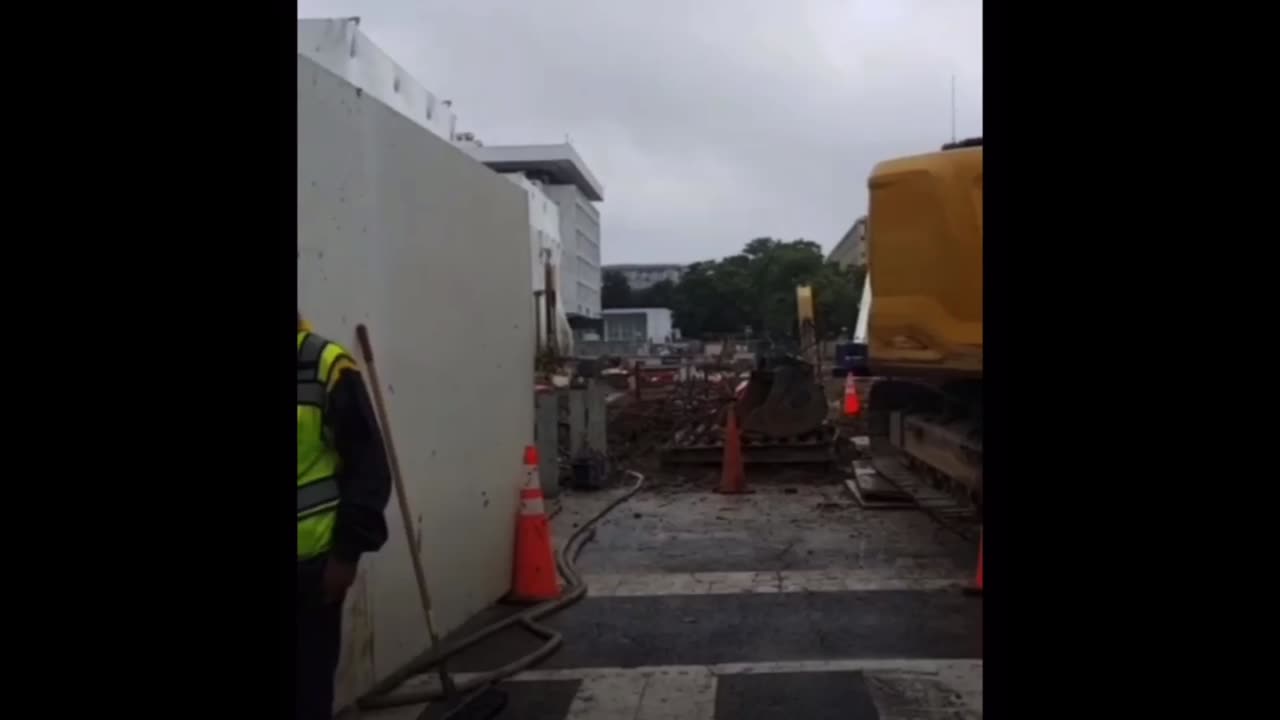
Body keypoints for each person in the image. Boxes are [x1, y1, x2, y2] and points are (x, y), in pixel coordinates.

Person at [297, 313, 392, 720]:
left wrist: (346, 555)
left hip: (308, 572)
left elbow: (369, 470)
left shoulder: (325, 367)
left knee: (304, 695)